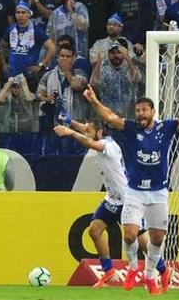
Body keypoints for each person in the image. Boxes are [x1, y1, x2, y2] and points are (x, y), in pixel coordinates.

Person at [83, 83, 179, 294]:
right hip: (134, 191)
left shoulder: (166, 127)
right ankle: (133, 269)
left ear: (153, 112)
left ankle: (151, 275)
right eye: (138, 111)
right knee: (130, 235)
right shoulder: (131, 129)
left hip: (158, 192)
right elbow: (110, 118)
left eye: (144, 110)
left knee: (157, 238)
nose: (140, 114)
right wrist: (95, 101)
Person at [53, 114, 153, 288]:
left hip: (127, 198)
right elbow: (86, 130)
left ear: (100, 132)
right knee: (94, 231)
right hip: (112, 199)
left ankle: (161, 268)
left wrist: (69, 132)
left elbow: (89, 142)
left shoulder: (109, 145)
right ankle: (109, 272)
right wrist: (70, 121)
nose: (86, 132)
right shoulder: (99, 137)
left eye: (89, 130)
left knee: (139, 238)